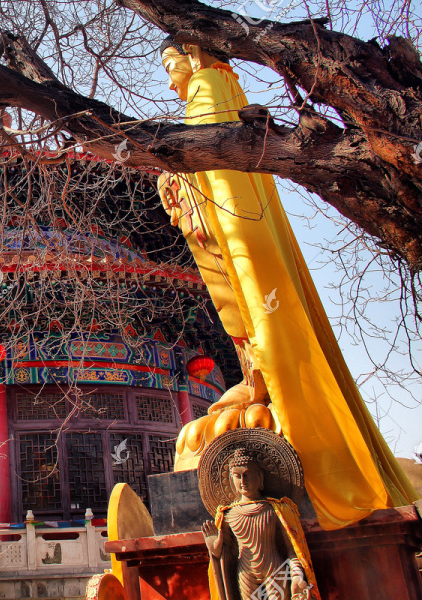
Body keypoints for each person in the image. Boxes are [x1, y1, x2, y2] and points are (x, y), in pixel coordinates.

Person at [157, 36, 417, 529]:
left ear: (192, 56)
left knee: (257, 299)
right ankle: (256, 378)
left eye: (172, 62)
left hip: (238, 226)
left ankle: (272, 387)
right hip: (221, 226)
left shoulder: (211, 87)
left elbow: (220, 172)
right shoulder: (203, 98)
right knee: (238, 309)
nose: (170, 76)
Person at [202, 449, 318, 600]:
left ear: (260, 477)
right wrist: (215, 549)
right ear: (231, 480)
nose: (243, 481)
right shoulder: (227, 515)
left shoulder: (276, 509)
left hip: (275, 570)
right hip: (245, 573)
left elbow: (293, 549)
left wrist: (296, 575)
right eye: (237, 476)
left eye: (247, 474)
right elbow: (225, 556)